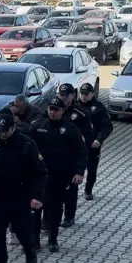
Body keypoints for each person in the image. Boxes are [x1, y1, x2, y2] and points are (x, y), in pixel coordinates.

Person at [0, 112, 47, 263]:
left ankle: (29, 251)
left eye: (5, 130)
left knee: (22, 232)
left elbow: (41, 173)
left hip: (20, 197)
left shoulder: (27, 145)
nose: (1, 133)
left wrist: (37, 196)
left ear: (13, 127)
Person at [29, 97, 87, 253]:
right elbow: (27, 149)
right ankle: (34, 241)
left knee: (55, 208)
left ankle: (53, 239)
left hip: (60, 176)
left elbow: (81, 152)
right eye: (51, 109)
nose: (52, 112)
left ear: (63, 111)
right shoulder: (37, 127)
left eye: (56, 109)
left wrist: (79, 172)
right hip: (39, 176)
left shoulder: (71, 130)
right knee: (35, 208)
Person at [57, 83, 94, 228]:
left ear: (72, 95)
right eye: (61, 95)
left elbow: (88, 138)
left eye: (66, 95)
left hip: (71, 158)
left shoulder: (80, 114)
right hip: (55, 157)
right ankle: (49, 217)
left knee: (70, 189)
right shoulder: (53, 110)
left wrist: (81, 165)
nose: (63, 98)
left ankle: (69, 216)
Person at [78, 82, 112, 201]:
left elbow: (107, 126)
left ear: (92, 94)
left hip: (93, 145)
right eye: (82, 93)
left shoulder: (99, 107)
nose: (84, 96)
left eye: (86, 94)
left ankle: (88, 190)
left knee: (91, 169)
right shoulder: (75, 107)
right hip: (77, 145)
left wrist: (99, 139)